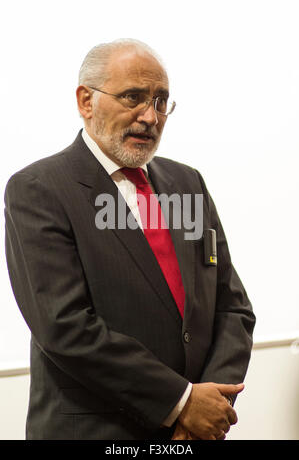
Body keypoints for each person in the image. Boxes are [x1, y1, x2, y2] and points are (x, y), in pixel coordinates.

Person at [4, 39, 255, 440]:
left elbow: (232, 307)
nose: (150, 116)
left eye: (161, 100)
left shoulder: (185, 184)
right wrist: (181, 402)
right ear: (86, 101)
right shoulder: (39, 190)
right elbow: (65, 327)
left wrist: (212, 403)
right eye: (133, 97)